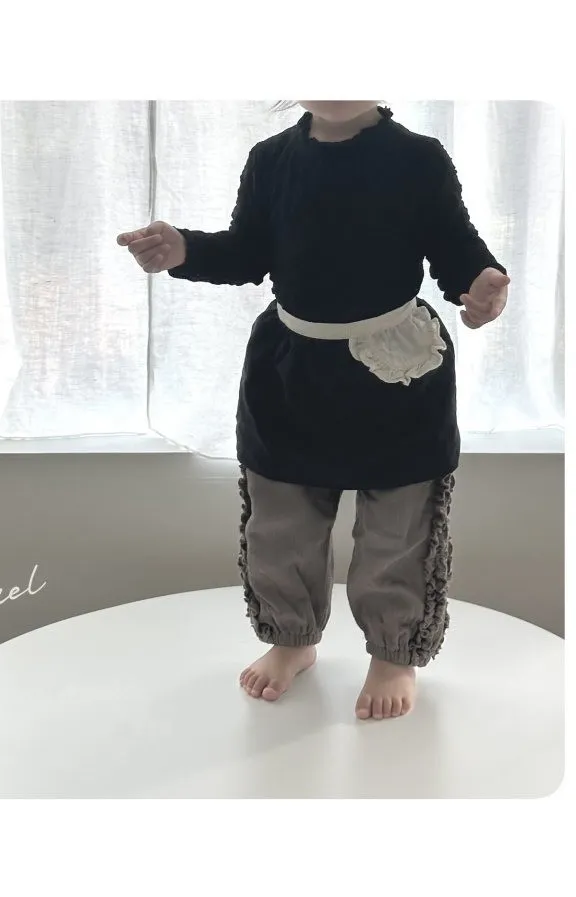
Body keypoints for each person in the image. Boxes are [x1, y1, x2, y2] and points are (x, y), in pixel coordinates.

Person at [117, 101, 509, 721]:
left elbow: (454, 244)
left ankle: (394, 652)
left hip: (399, 373)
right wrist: (185, 249)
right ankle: (291, 638)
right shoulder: (271, 159)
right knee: (281, 519)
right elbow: (248, 253)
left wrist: (480, 282)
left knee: (400, 524)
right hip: (290, 370)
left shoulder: (418, 159)